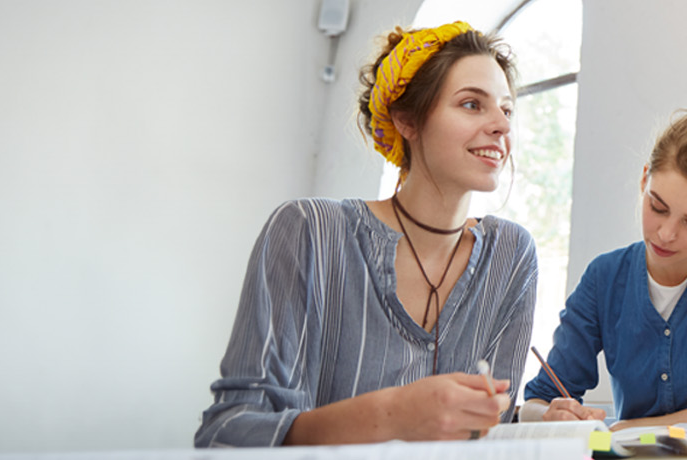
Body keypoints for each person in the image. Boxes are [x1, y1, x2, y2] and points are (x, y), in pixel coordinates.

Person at [195, 22, 540, 446]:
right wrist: (391, 415)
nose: (502, 127)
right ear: (407, 121)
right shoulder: (309, 231)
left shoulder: (512, 255)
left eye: (506, 110)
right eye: (472, 104)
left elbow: (489, 434)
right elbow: (227, 435)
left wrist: (534, 418)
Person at [520, 85, 687, 428]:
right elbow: (536, 401)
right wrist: (549, 414)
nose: (665, 233)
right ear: (644, 180)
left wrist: (627, 429)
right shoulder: (604, 278)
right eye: (657, 207)